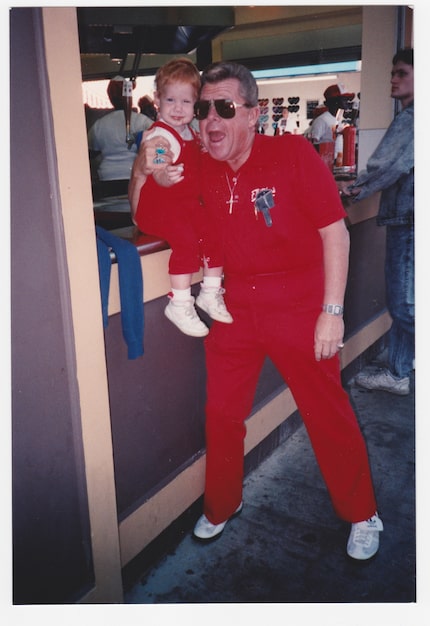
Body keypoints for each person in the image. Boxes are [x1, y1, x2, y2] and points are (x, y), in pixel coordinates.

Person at [129, 61, 383, 560]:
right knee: (222, 414)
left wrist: (331, 311)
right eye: (202, 109)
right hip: (232, 307)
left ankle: (362, 511)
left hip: (298, 302)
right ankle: (222, 504)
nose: (211, 120)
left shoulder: (290, 153)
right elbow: (141, 208)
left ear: (253, 113)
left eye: (224, 107)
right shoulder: (196, 160)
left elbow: (335, 232)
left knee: (325, 411)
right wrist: (145, 165)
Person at [133, 58, 232, 337]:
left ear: (196, 104)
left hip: (184, 205)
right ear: (157, 100)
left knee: (215, 231)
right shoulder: (159, 136)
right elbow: (159, 165)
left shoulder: (190, 133)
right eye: (170, 100)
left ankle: (210, 292)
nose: (178, 108)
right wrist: (164, 176)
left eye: (186, 102)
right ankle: (179, 302)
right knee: (186, 241)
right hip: (157, 208)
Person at [341, 48, 414, 396]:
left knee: (405, 304)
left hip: (409, 219)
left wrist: (353, 190)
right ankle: (400, 371)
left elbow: (386, 166)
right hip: (409, 216)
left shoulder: (412, 118)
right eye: (392, 73)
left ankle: (400, 372)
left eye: (402, 73)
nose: (393, 79)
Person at [88, 76, 153, 181]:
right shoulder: (142, 121)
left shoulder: (99, 124)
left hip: (108, 177)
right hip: (136, 176)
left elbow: (90, 152)